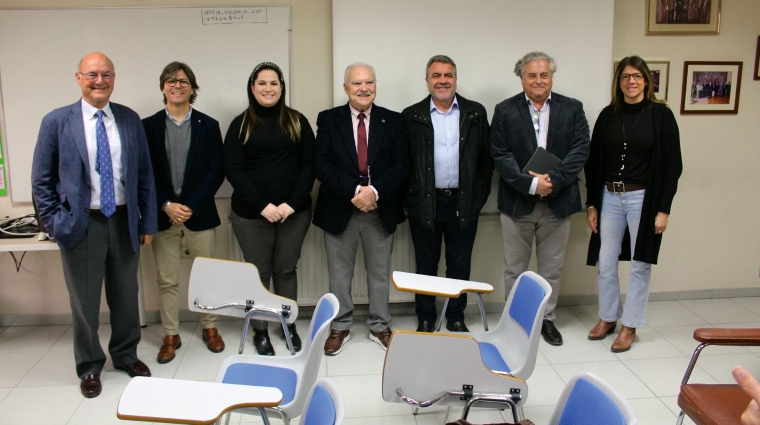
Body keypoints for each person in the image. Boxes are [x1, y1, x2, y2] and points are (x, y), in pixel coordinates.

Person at [31, 52, 157, 398]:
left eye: (106, 74)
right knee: (84, 302)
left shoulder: (129, 120)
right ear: (78, 78)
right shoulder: (56, 121)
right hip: (80, 224)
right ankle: (89, 366)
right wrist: (56, 224)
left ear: (114, 78)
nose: (99, 81)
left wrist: (147, 221)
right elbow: (41, 181)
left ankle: (125, 355)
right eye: (92, 75)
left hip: (123, 220)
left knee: (126, 296)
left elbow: (144, 175)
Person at [490, 52, 590, 346]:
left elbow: (581, 149)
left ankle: (546, 320)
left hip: (558, 204)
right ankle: (515, 323)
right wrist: (532, 184)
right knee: (514, 270)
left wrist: (553, 181)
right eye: (531, 75)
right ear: (521, 77)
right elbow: (500, 153)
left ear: (551, 77)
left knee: (551, 269)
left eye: (543, 75)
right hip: (517, 203)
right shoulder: (505, 110)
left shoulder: (572, 108)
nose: (538, 80)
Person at [584, 56, 682, 353]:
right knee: (606, 262)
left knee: (640, 264)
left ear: (646, 81)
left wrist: (663, 209)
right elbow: (593, 163)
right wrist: (592, 204)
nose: (631, 82)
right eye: (626, 76)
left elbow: (672, 165)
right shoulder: (607, 116)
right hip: (609, 197)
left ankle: (630, 325)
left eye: (637, 76)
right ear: (619, 82)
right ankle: (608, 317)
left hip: (643, 199)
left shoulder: (661, 116)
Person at [313, 63, 408, 355]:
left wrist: (374, 192)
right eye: (356, 83)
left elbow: (401, 164)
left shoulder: (393, 121)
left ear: (375, 86)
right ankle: (340, 325)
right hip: (340, 207)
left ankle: (380, 325)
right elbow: (322, 164)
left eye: (369, 82)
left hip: (380, 209)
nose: (363, 88)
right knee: (339, 275)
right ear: (346, 88)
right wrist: (356, 192)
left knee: (379, 272)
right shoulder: (329, 119)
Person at [223, 62, 315, 356]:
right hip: (251, 215)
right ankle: (260, 330)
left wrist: (290, 204)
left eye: (274, 83)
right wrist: (263, 205)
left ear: (282, 87)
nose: (268, 88)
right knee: (259, 273)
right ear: (252, 88)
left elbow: (309, 166)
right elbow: (234, 169)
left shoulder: (297, 121)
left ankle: (288, 324)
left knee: (286, 270)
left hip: (294, 213)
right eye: (262, 83)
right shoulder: (240, 124)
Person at [402, 55, 493, 333]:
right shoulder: (411, 115)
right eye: (436, 75)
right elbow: (403, 163)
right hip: (425, 203)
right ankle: (426, 317)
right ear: (427, 80)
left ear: (455, 78)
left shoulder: (475, 113)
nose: (442, 80)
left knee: (459, 264)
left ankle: (455, 315)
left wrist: (477, 198)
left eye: (448, 75)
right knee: (425, 265)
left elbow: (486, 160)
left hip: (463, 203)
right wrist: (411, 199)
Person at [142, 62, 226, 363]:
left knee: (207, 277)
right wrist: (166, 204)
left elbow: (217, 170)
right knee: (167, 280)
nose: (176, 85)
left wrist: (191, 205)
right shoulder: (147, 126)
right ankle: (171, 334)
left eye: (183, 81)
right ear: (163, 86)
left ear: (192, 87)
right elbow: (144, 172)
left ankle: (210, 328)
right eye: (170, 80)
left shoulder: (209, 125)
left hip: (199, 214)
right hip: (163, 215)